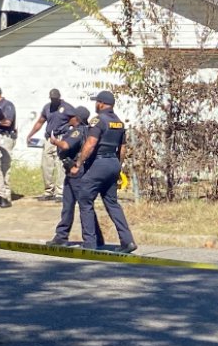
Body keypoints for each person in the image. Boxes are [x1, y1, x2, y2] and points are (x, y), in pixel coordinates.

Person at [72, 90, 137, 253]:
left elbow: (90, 144)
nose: (95, 104)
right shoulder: (119, 123)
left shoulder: (98, 120)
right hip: (113, 164)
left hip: (98, 164)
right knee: (112, 203)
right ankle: (127, 241)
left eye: (96, 102)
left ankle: (90, 242)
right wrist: (118, 167)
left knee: (85, 199)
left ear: (101, 103)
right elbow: (122, 149)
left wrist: (78, 163)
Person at [45, 106, 105, 248]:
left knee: (84, 206)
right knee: (68, 205)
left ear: (77, 118)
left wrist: (54, 141)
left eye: (72, 116)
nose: (68, 117)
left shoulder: (78, 130)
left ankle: (93, 239)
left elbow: (66, 145)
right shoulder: (86, 130)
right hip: (72, 173)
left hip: (76, 173)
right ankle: (61, 236)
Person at [25, 88, 75, 202]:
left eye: (55, 99)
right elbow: (40, 121)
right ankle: (49, 191)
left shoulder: (67, 107)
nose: (54, 101)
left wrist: (71, 133)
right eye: (52, 99)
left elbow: (75, 120)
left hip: (62, 137)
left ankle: (60, 192)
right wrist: (30, 134)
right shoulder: (47, 107)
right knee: (46, 165)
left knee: (60, 165)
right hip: (49, 139)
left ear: (59, 98)